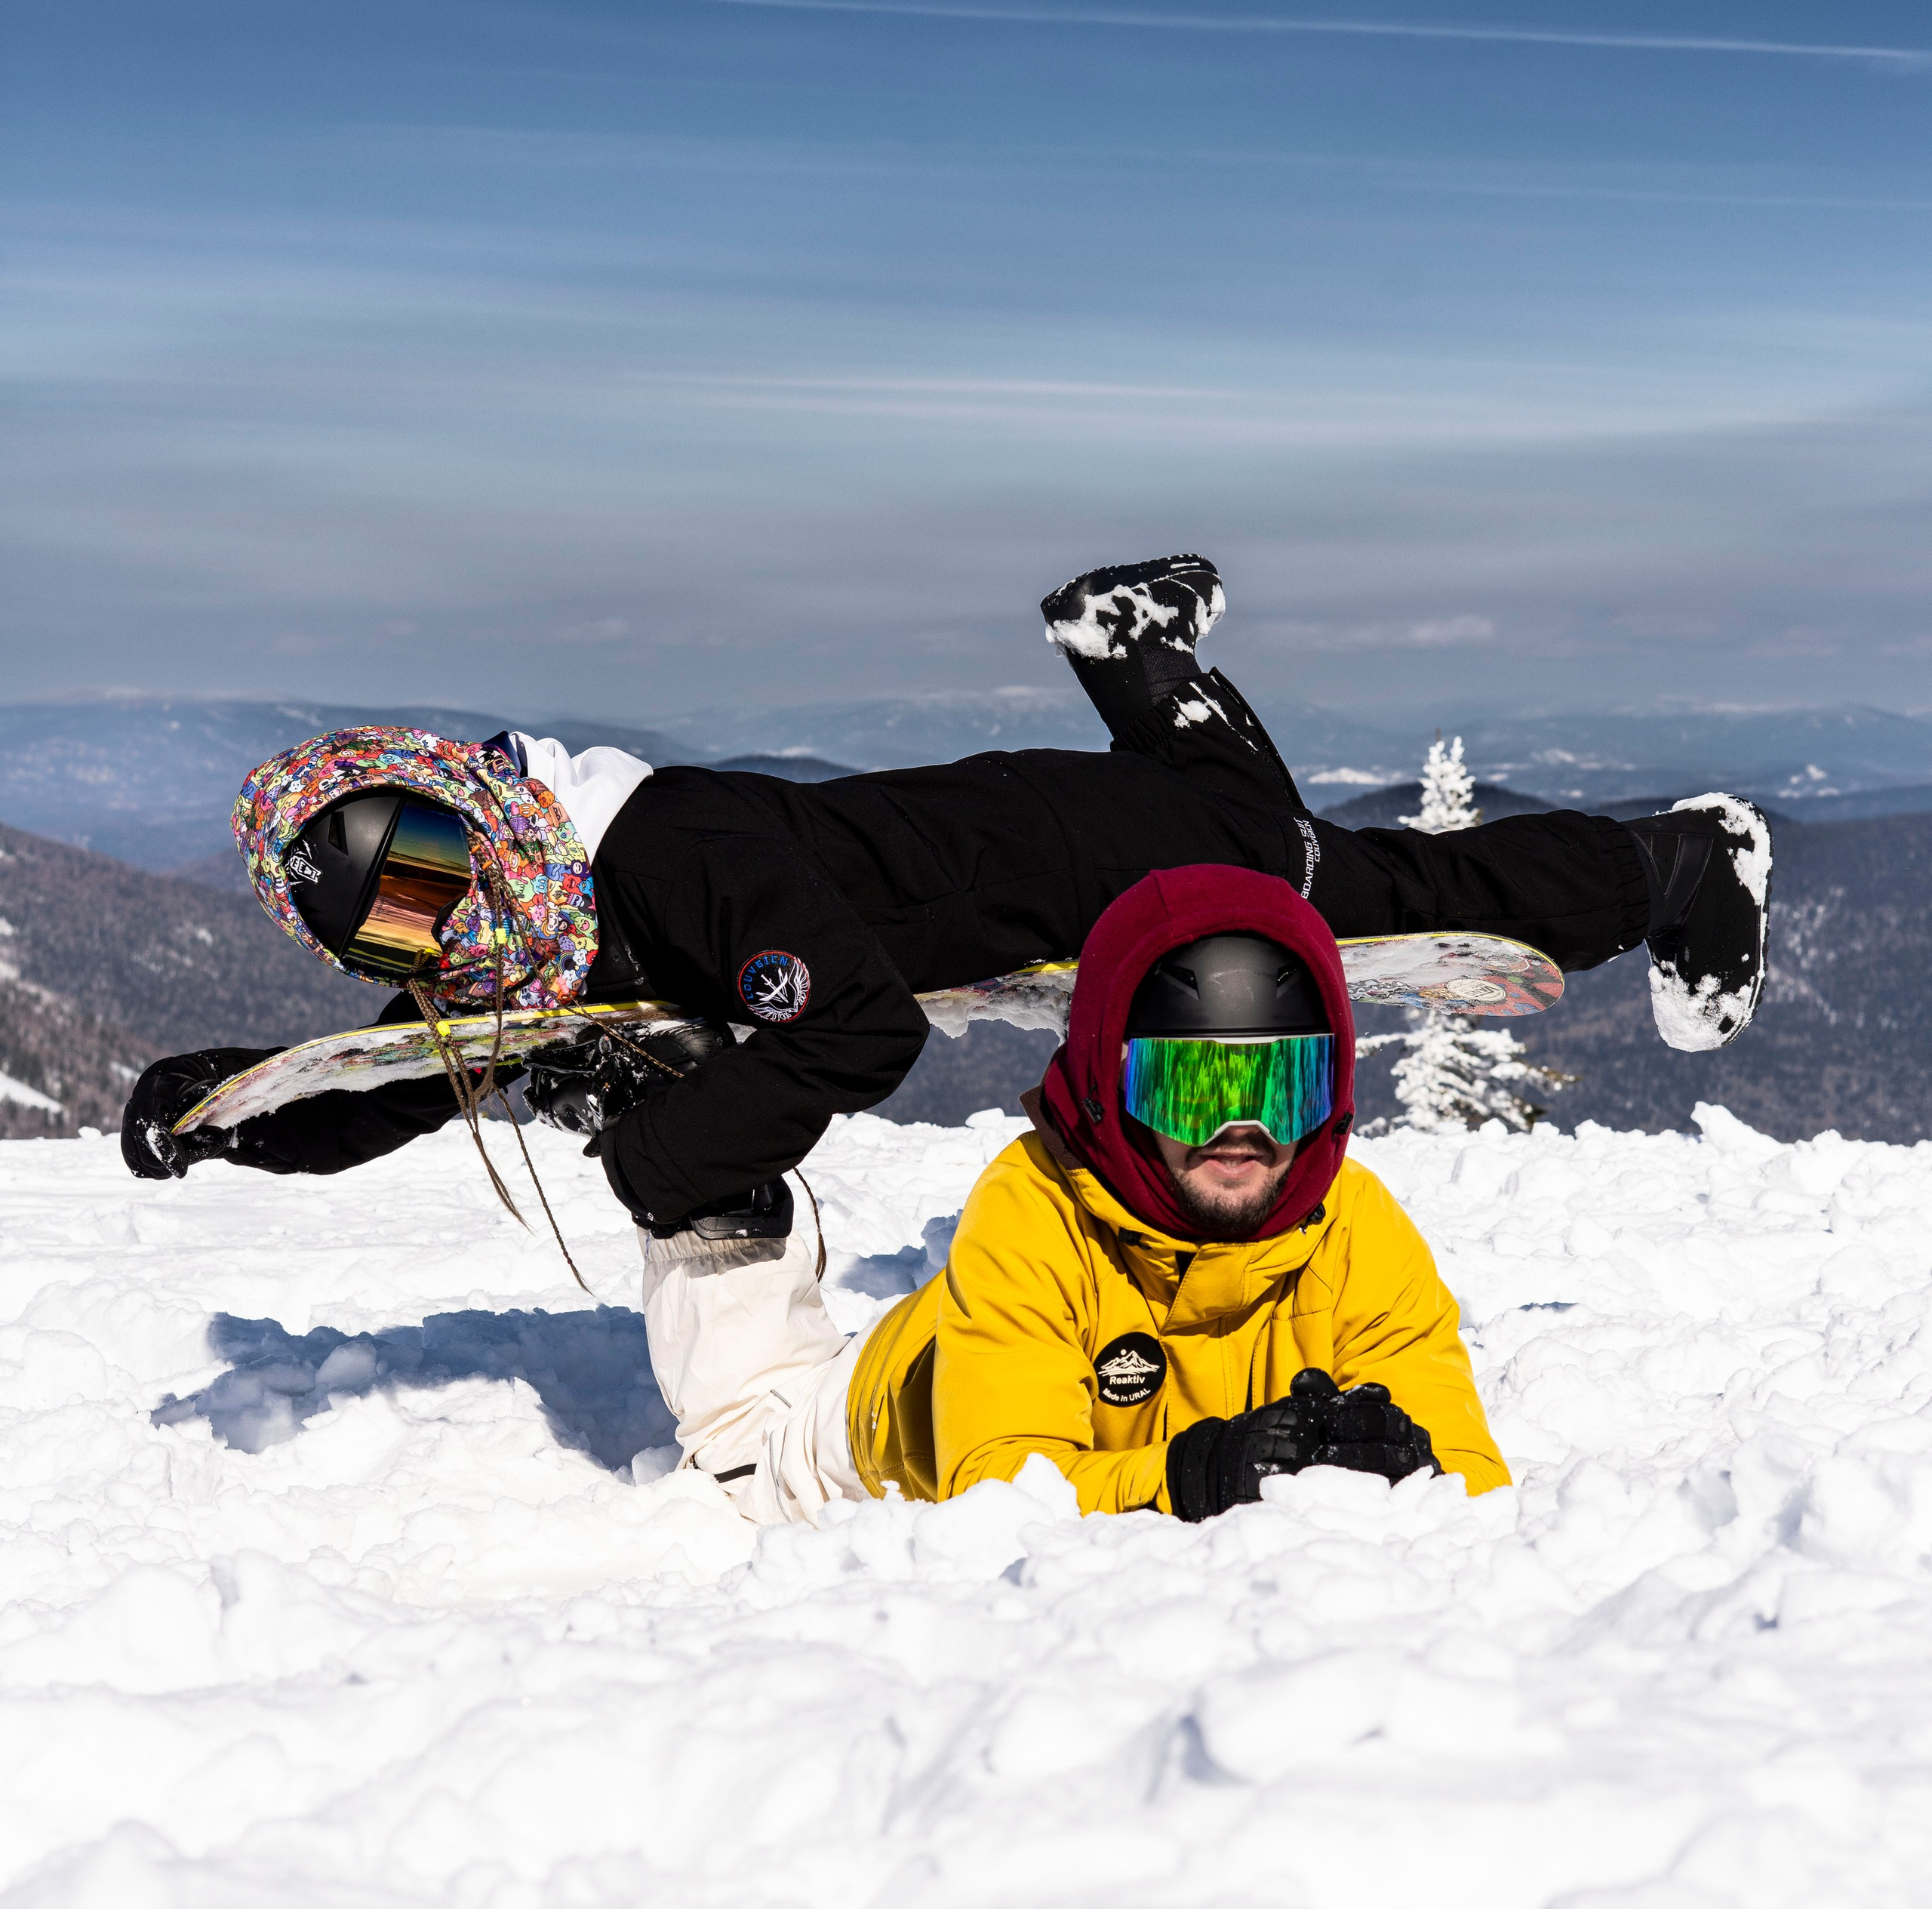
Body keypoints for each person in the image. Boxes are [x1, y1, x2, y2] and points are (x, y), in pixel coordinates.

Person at [120, 550, 1774, 1245]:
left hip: (1080, 859)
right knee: (1244, 812)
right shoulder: (528, 912)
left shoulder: (671, 850)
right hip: (1012, 840)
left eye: (421, 872)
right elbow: (421, 1069)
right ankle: (1134, 657)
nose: (430, 932)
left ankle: (1676, 859)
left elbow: (848, 1034)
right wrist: (229, 1111)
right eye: (386, 926)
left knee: (1332, 880)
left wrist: (662, 1156)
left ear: (466, 809)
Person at [641, 864, 1509, 1524]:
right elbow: (1003, 1495)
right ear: (1109, 1083)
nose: (1241, 1129)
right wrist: (1196, 1475)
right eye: (1193, 1087)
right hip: (864, 1429)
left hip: (1008, 1358)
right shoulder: (1032, 1209)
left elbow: (1470, 1482)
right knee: (739, 1452)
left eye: (1284, 1084)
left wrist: (1410, 1465)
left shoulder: (1355, 1229)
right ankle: (691, 1155)